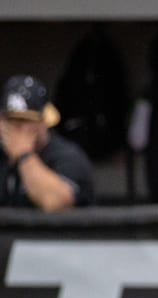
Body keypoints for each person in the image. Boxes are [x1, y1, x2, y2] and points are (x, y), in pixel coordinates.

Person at [0, 74, 94, 210]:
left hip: (64, 231)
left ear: (45, 120)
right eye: (11, 120)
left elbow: (55, 202)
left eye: (26, 120)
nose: (18, 128)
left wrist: (23, 155)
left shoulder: (69, 157)